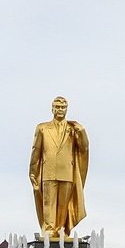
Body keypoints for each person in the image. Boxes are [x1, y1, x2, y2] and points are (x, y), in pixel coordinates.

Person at [29, 96, 89, 240]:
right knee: (48, 203)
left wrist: (82, 131)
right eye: (57, 107)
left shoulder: (73, 129)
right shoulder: (42, 128)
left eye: (63, 107)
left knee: (63, 205)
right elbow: (36, 150)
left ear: (66, 109)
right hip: (48, 172)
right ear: (52, 109)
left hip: (67, 172)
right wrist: (32, 172)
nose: (60, 110)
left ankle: (62, 230)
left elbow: (84, 148)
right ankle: (49, 231)